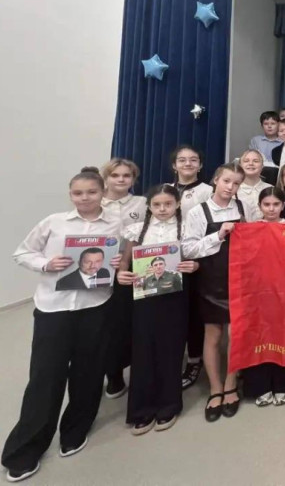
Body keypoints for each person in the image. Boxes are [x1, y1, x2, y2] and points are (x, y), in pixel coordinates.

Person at [2, 168, 122, 483]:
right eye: (78, 193)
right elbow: (22, 252)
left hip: (95, 306)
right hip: (53, 308)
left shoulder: (115, 223)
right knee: (45, 377)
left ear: (102, 193)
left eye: (91, 192)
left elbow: (122, 256)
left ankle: (75, 431)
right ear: (71, 195)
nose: (85, 198)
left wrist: (116, 262)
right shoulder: (53, 222)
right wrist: (46, 264)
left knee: (88, 374)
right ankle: (25, 449)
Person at [116, 184, 195, 435]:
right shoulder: (138, 229)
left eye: (168, 204)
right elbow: (126, 260)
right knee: (143, 348)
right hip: (144, 296)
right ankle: (141, 409)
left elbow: (196, 258)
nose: (162, 209)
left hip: (175, 294)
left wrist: (194, 266)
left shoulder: (186, 228)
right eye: (157, 204)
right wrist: (121, 273)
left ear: (178, 204)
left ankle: (169, 405)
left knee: (171, 348)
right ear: (149, 206)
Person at [182, 162, 258, 423]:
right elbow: (188, 249)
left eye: (236, 183)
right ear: (215, 180)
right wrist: (219, 235)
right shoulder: (198, 211)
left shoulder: (244, 208)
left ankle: (230, 383)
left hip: (240, 279)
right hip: (211, 280)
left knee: (236, 333)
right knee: (213, 334)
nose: (230, 187)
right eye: (226, 181)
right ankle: (215, 388)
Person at [242, 187, 285, 407]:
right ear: (259, 206)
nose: (271, 209)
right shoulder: (250, 229)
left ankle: (284, 384)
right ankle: (259, 385)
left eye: (276, 204)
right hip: (258, 292)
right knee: (260, 334)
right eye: (266, 205)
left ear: (283, 206)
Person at [100, 158, 146, 400]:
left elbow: (139, 236)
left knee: (124, 321)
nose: (120, 179)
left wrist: (124, 263)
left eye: (126, 175)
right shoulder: (95, 201)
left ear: (133, 179)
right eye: (115, 175)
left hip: (131, 267)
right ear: (106, 178)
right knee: (101, 324)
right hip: (98, 267)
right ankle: (107, 371)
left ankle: (119, 371)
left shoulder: (142, 203)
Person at [168, 145, 213, 390]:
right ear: (174, 165)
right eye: (182, 160)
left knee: (195, 313)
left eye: (193, 160)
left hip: (196, 261)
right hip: (168, 261)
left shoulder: (208, 191)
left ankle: (195, 359)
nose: (188, 163)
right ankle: (172, 358)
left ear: (200, 165)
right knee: (173, 313)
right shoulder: (165, 190)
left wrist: (199, 260)